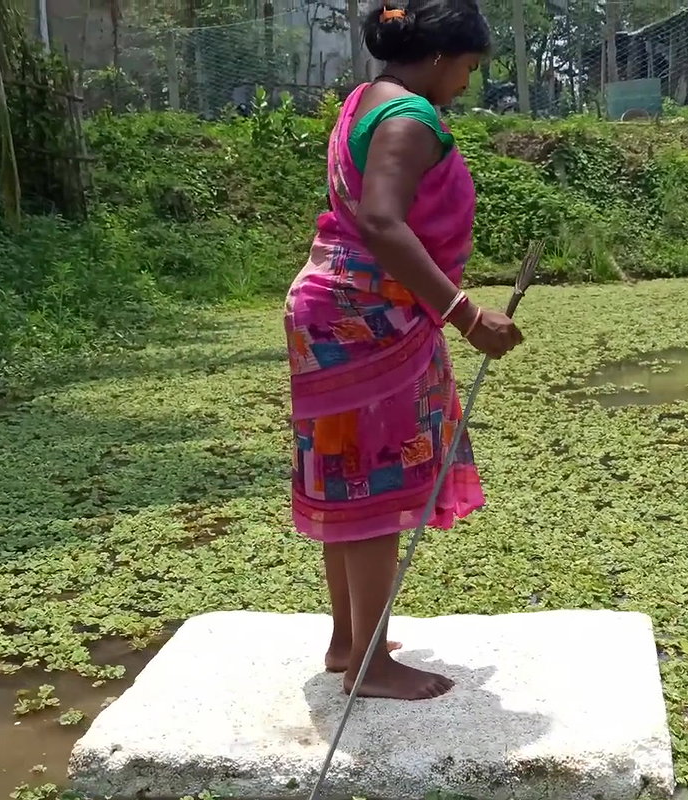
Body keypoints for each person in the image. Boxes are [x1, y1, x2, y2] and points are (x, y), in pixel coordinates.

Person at [283, 0, 524, 701]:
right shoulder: (410, 118)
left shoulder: (366, 98)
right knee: (374, 483)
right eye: (469, 70)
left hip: (334, 304)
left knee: (347, 470)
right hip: (365, 314)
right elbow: (384, 221)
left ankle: (346, 641)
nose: (466, 87)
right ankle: (368, 665)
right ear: (445, 56)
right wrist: (464, 312)